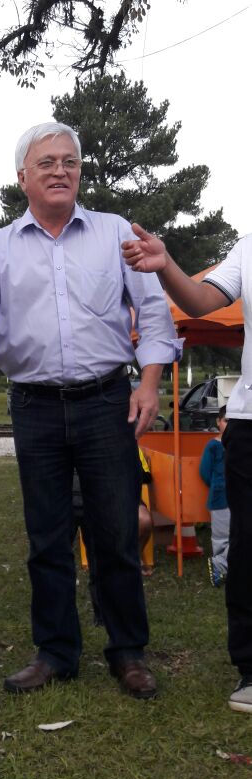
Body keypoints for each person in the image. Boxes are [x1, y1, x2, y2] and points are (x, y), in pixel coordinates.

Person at [0, 120, 181, 699]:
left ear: (79, 172)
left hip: (106, 403)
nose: (60, 171)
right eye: (46, 162)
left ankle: (127, 650)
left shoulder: (115, 232)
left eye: (69, 162)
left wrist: (148, 386)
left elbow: (153, 315)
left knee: (117, 531)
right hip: (35, 407)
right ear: (22, 176)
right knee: (45, 535)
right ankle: (55, 652)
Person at [123, 225, 252, 714]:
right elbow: (200, 302)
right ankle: (250, 670)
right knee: (248, 545)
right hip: (249, 421)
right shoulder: (248, 246)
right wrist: (167, 264)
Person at [75, 446, 155, 625]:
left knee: (104, 558)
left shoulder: (123, 440)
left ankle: (106, 614)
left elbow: (143, 476)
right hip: (73, 495)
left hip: (114, 494)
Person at [199, 406, 230, 588]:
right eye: (226, 421)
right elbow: (205, 472)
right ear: (218, 421)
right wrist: (219, 487)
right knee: (221, 538)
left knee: (242, 535)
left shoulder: (242, 445)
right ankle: (220, 569)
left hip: (241, 498)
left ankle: (222, 564)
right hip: (220, 499)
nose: (229, 425)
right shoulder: (213, 445)